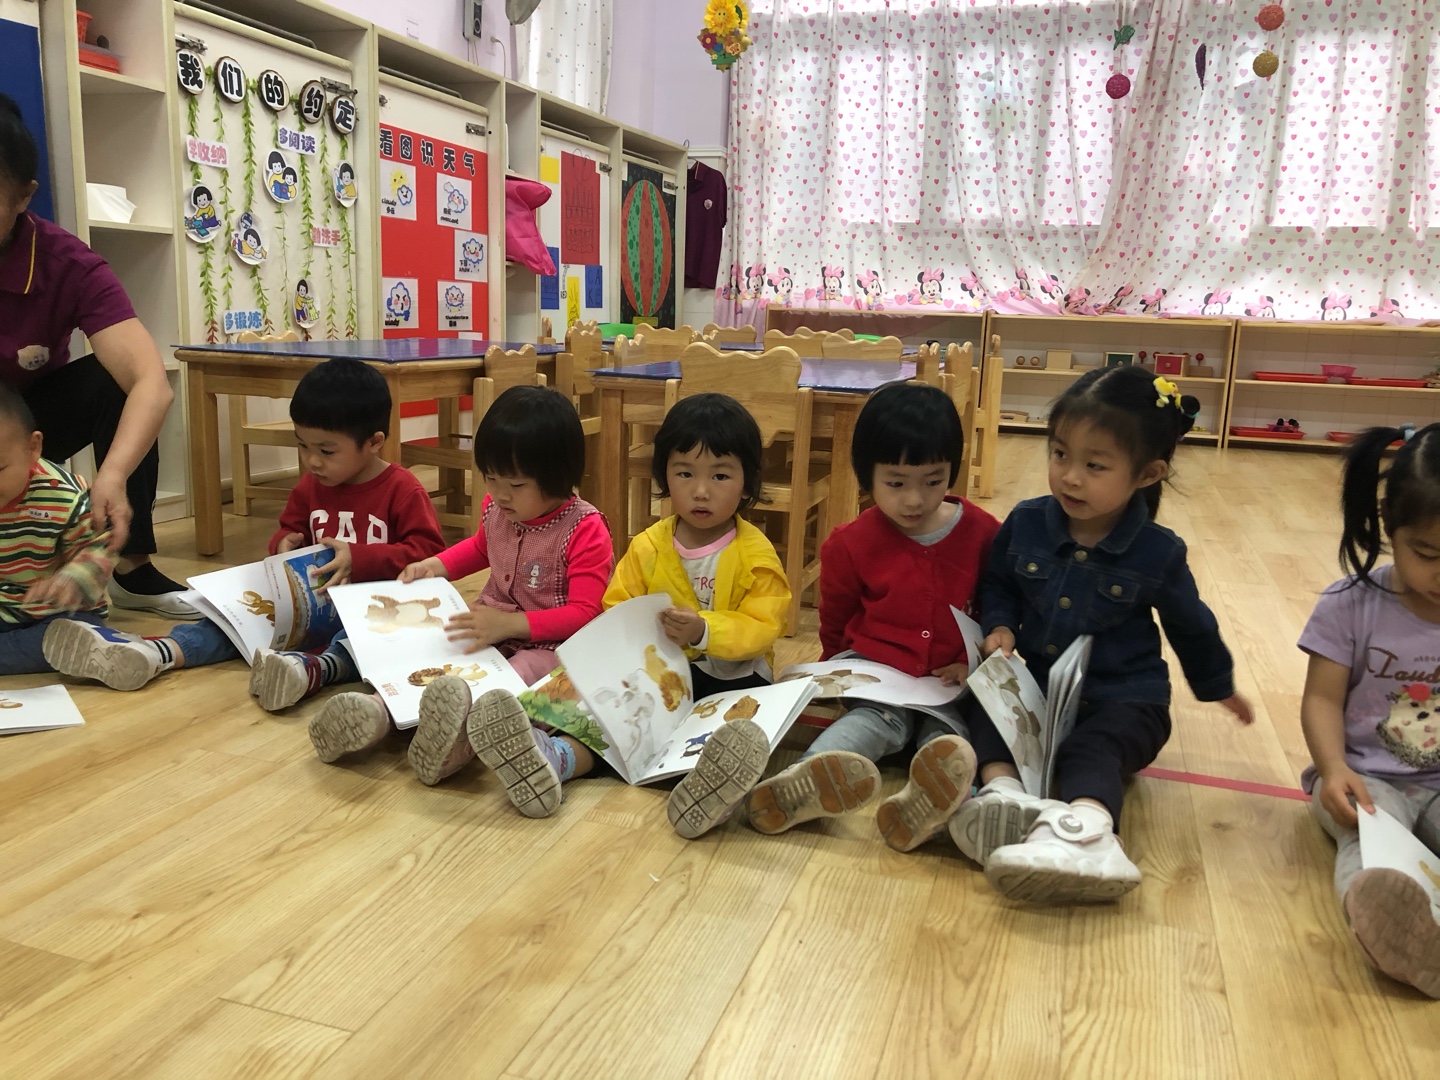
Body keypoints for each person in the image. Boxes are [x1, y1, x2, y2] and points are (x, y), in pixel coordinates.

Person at [954, 367, 1253, 903]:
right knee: (981, 707)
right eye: (1060, 454)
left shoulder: (1158, 552)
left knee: (1092, 749)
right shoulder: (1026, 522)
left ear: (1147, 473)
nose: (1070, 477)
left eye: (1094, 466)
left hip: (1124, 702)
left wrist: (1218, 685)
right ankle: (1003, 796)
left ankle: (1088, 834)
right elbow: (999, 582)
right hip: (1039, 692)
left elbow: (1192, 625)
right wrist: (1000, 625)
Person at [44, 359, 444, 709]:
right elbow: (290, 530)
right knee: (228, 622)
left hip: (369, 608)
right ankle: (156, 653)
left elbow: (430, 555)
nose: (311, 461)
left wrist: (361, 558)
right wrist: (284, 544)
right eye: (302, 446)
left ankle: (311, 671)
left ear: (374, 443)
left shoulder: (402, 489)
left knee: (365, 637)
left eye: (326, 451)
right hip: (308, 608)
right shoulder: (311, 487)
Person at [311, 385, 614, 804]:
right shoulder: (498, 508)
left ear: (559, 477)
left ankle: (458, 745)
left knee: (510, 682)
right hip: (488, 624)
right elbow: (479, 548)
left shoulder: (585, 529)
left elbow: (585, 613)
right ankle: (379, 712)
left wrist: (512, 624)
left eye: (516, 483)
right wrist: (435, 565)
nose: (500, 493)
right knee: (439, 661)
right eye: (491, 478)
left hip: (551, 647)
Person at [744, 381, 1000, 851]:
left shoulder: (984, 534)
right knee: (876, 720)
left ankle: (937, 804)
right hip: (878, 674)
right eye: (896, 483)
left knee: (948, 735)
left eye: (934, 480)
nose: (915, 500)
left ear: (953, 470)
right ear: (867, 477)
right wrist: (834, 671)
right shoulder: (851, 542)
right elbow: (836, 616)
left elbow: (998, 607)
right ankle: (807, 776)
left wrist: (974, 666)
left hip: (950, 682)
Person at [0, 93, 194, 617]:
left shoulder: (67, 263)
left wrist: (112, 476)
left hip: (25, 422)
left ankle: (130, 565)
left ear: (24, 196)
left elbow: (150, 382)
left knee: (116, 383)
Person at [601, 393, 792, 839]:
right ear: (664, 475)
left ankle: (716, 789)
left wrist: (706, 630)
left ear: (747, 482)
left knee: (739, 726)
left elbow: (764, 625)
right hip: (668, 673)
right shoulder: (648, 546)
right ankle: (560, 756)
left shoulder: (755, 553)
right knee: (618, 720)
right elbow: (618, 606)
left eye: (720, 475)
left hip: (734, 674)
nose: (701, 491)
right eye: (684, 473)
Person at [1296, 423, 1440, 997]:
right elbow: (1321, 698)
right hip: (1365, 779)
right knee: (1371, 845)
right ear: (1387, 524)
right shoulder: (1350, 605)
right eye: (1427, 553)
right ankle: (1399, 935)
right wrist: (1333, 769)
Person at [0, 386, 115, 673]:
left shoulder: (64, 497)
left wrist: (72, 578)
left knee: (74, 636)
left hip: (55, 613)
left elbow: (98, 549)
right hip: (4, 607)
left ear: (33, 448)